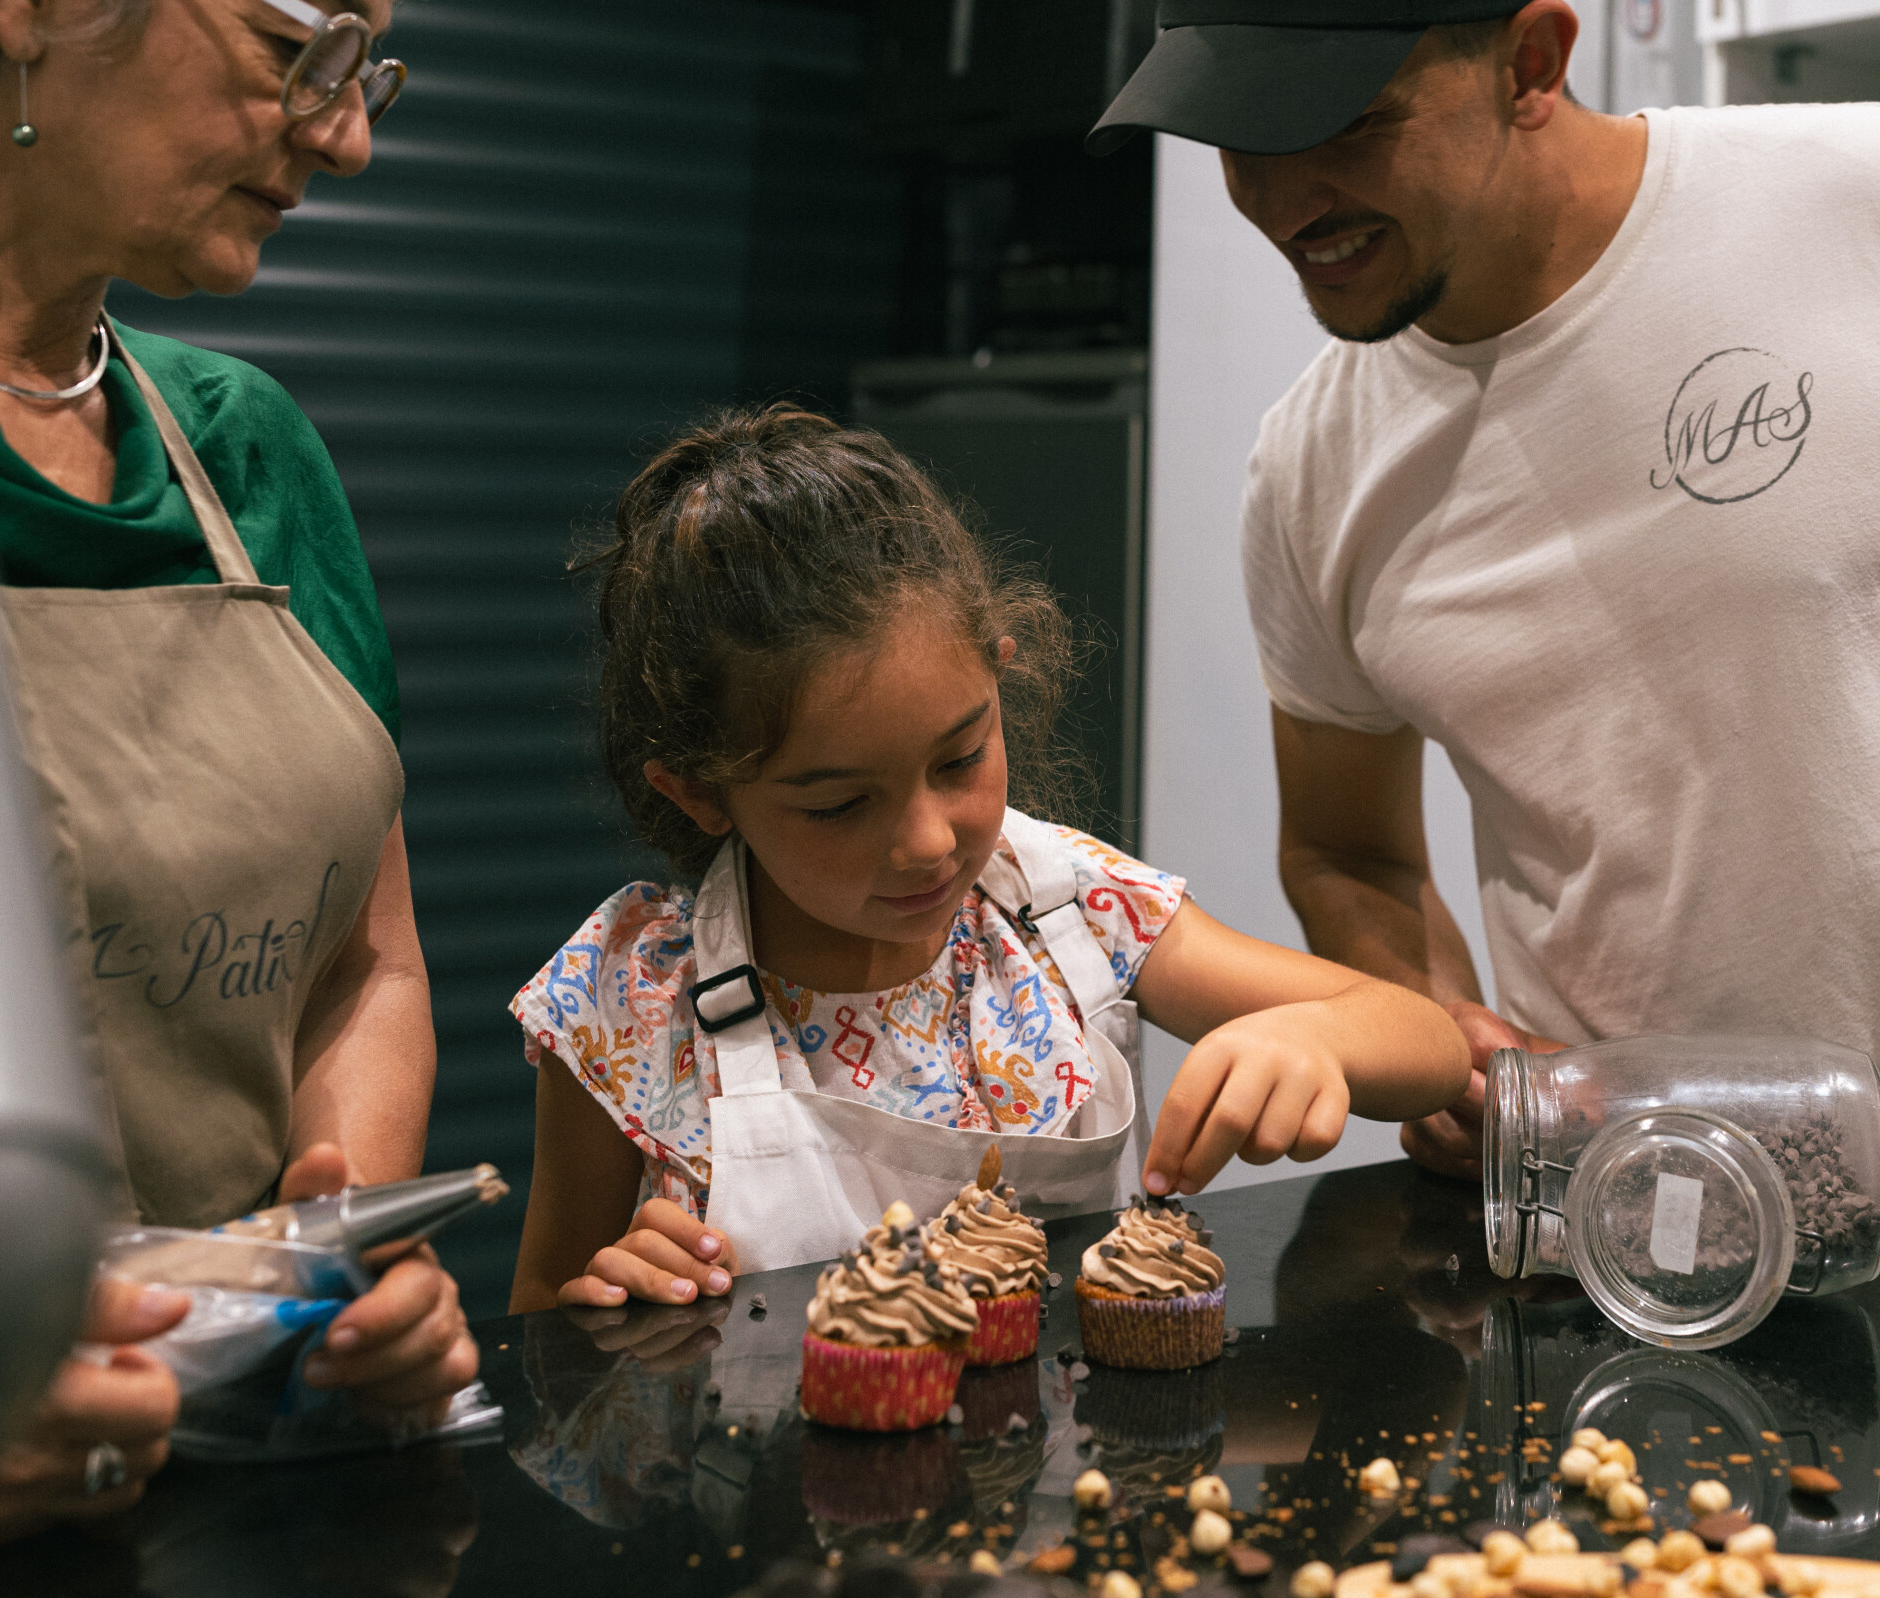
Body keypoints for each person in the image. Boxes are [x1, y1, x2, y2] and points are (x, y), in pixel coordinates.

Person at [1089, 0, 1880, 1354]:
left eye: (1344, 126)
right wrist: (1436, 1033)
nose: (1279, 197)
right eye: (1235, 139)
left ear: (1533, 62)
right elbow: (1348, 854)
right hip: (1617, 1270)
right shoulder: (1312, 469)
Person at [0, 0, 477, 1540]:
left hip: (235, 1505)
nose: (348, 136)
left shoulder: (252, 451)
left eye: (365, 71)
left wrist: (322, 1275)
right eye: (302, 45)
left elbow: (366, 962)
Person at [507, 408, 1470, 1310]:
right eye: (841, 803)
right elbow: (541, 1351)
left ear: (999, 672)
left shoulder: (1070, 909)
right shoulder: (631, 997)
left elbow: (1428, 1044)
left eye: (960, 757)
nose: (929, 839)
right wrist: (610, 1306)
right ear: (701, 791)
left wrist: (1314, 1039)